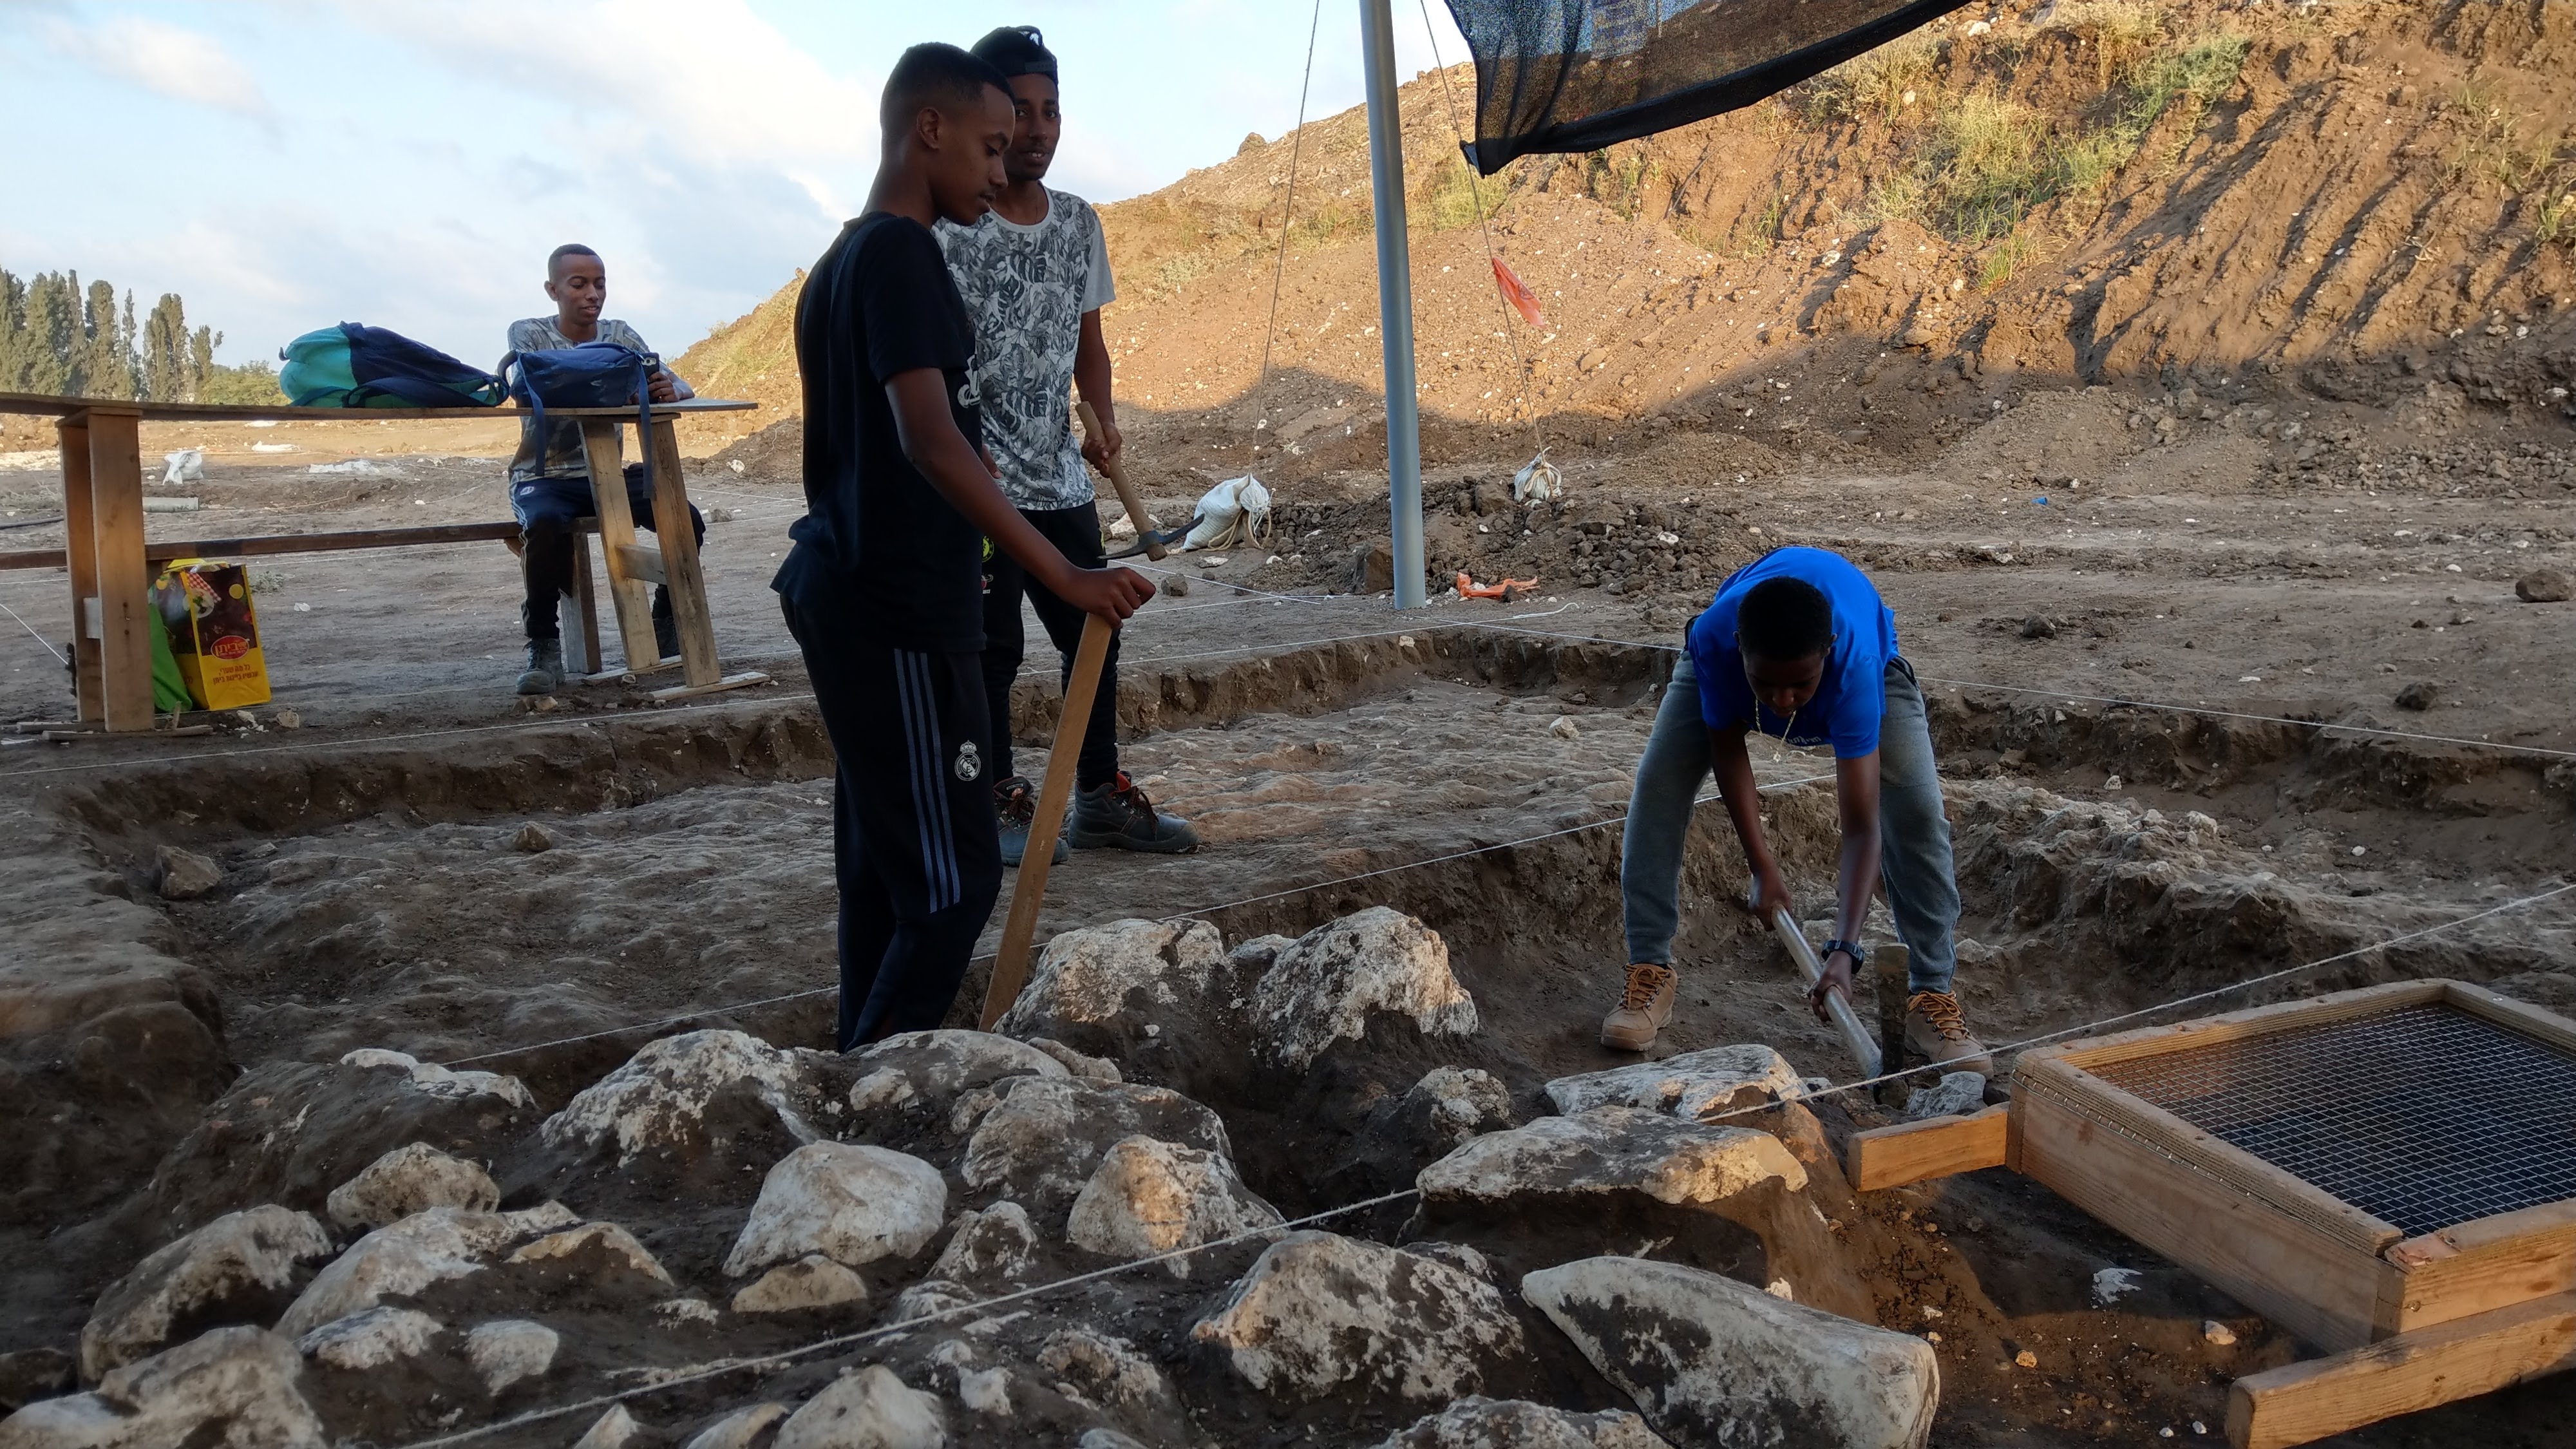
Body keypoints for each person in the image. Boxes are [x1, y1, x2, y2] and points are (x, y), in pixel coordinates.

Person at [774, 41, 1154, 1052]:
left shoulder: (845, 262)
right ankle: (890, 1080)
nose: (1000, 169)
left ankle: (859, 1063)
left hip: (858, 589)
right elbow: (932, 441)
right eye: (988, 146)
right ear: (928, 129)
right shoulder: (900, 255)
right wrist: (1064, 569)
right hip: (893, 607)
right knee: (954, 883)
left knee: (881, 866)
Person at [938, 24, 1197, 864]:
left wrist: (1103, 412)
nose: (1040, 128)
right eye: (1021, 110)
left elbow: (1089, 342)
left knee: (1096, 630)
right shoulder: (953, 227)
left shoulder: (1080, 224)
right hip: (981, 482)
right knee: (991, 646)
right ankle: (995, 798)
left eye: (1053, 110)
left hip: (1057, 476)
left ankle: (1098, 796)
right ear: (987, 117)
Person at [1600, 545, 1992, 1073]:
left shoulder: (1853, 664)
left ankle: (1930, 997)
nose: (1783, 701)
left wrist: (1844, 948)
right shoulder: (1716, 641)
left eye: (1799, 685)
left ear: (1827, 653)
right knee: (1658, 786)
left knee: (1919, 811)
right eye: (1767, 685)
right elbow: (1728, 753)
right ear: (1741, 650)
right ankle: (1649, 970)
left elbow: (1860, 824)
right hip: (1728, 653)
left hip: (1869, 662)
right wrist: (1762, 867)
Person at [503, 243, 701, 696]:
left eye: (600, 283)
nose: (593, 294)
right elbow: (536, 384)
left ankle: (666, 619)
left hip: (607, 474)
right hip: (546, 475)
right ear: (553, 289)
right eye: (579, 284)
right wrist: (612, 377)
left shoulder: (620, 334)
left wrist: (666, 390)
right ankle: (543, 645)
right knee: (546, 526)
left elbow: (680, 383)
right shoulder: (529, 334)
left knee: (685, 518)